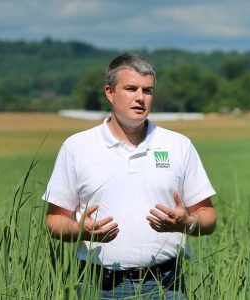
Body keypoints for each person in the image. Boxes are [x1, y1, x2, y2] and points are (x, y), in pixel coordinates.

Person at [43, 53, 217, 299]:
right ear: (110, 92)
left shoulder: (179, 145)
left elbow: (208, 217)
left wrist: (187, 223)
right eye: (131, 88)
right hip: (98, 285)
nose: (140, 98)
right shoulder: (77, 147)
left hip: (167, 285)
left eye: (147, 90)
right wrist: (81, 231)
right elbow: (54, 220)